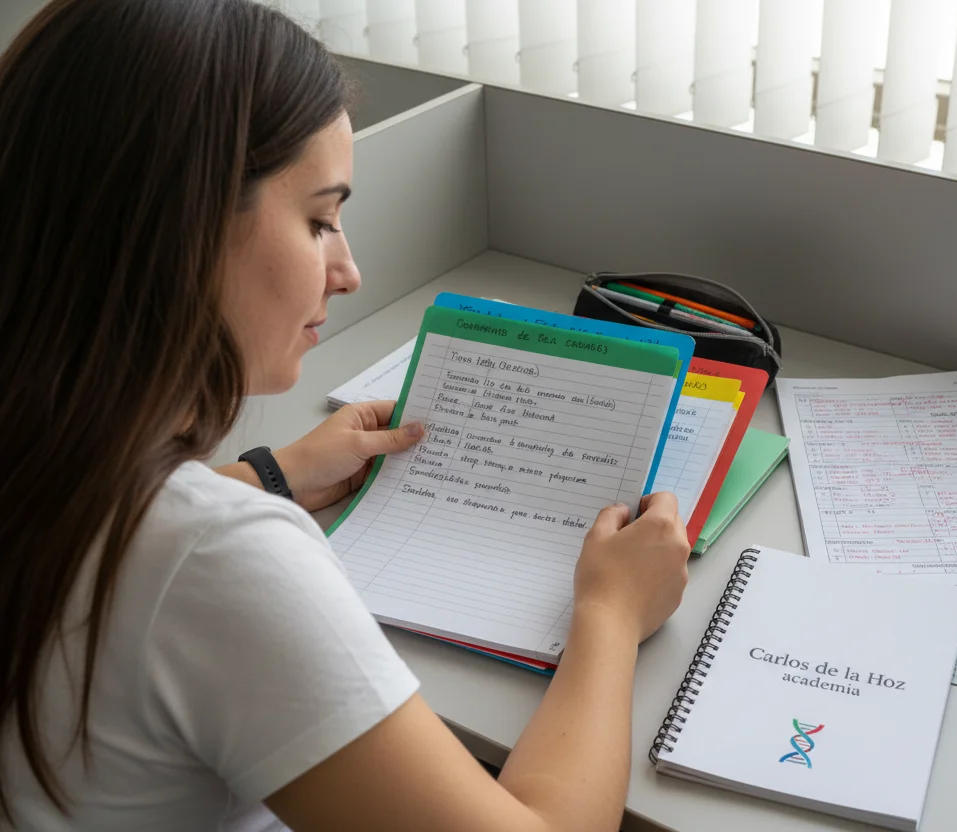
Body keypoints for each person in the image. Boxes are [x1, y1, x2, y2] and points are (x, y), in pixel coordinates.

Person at [0, 1, 691, 830]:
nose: (349, 270)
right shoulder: (214, 562)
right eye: (320, 219)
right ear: (185, 225)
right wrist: (610, 616)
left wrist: (265, 476)